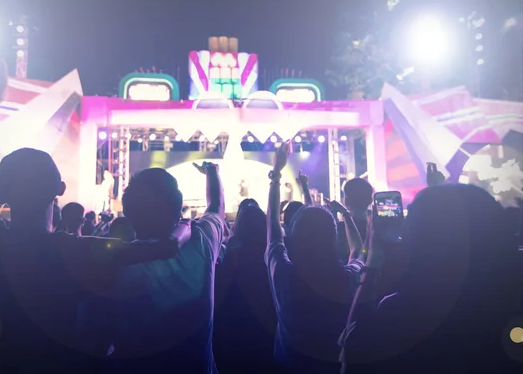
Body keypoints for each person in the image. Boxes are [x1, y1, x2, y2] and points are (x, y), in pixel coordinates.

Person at [0, 63, 192, 371]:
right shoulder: (72, 249)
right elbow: (166, 247)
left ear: (0, 196)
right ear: (59, 189)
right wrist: (187, 226)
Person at [340, 184, 521, 374]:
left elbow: (353, 358)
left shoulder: (404, 312)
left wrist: (372, 267)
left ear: (419, 237)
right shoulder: (510, 300)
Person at [107, 162, 226, 373]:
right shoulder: (201, 239)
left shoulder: (115, 264)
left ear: (128, 211)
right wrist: (212, 172)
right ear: (178, 207)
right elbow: (216, 206)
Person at [266, 142, 364, 373]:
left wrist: (276, 175)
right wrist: (345, 215)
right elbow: (358, 251)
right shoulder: (346, 278)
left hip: (288, 366)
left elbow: (272, 231)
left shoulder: (284, 274)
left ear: (294, 236)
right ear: (332, 237)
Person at [214, 204, 278, 373]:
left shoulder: (232, 257)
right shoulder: (273, 257)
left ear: (240, 226)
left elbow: (218, 296)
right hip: (266, 333)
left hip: (234, 335)